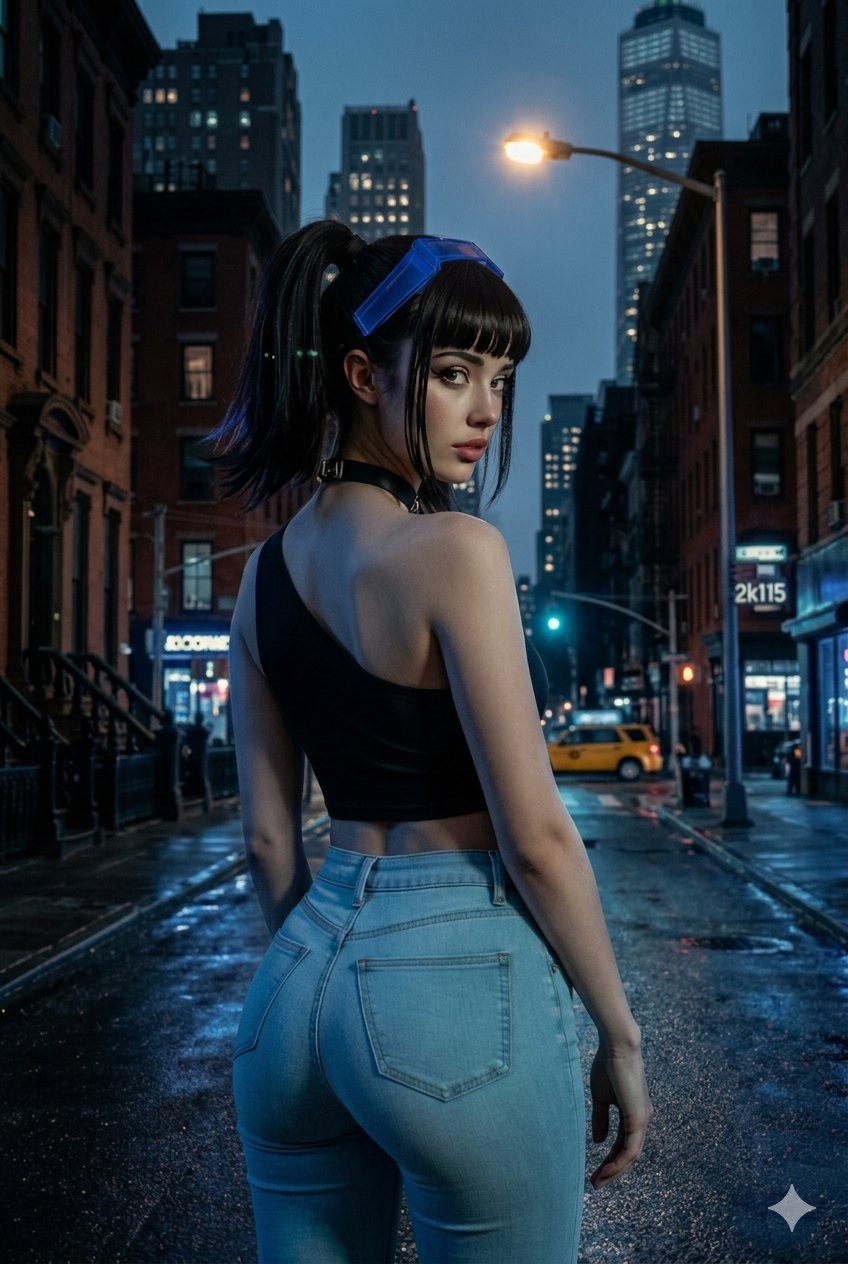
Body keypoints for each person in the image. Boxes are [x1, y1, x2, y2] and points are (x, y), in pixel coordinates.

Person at [216, 220, 653, 1264]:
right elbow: (535, 835)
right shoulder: (454, 550)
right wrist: (619, 1032)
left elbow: (267, 844)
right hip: (454, 983)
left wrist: (327, 970)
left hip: (292, 1001)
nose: (485, 408)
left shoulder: (261, 576)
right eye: (454, 371)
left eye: (497, 375)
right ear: (362, 374)